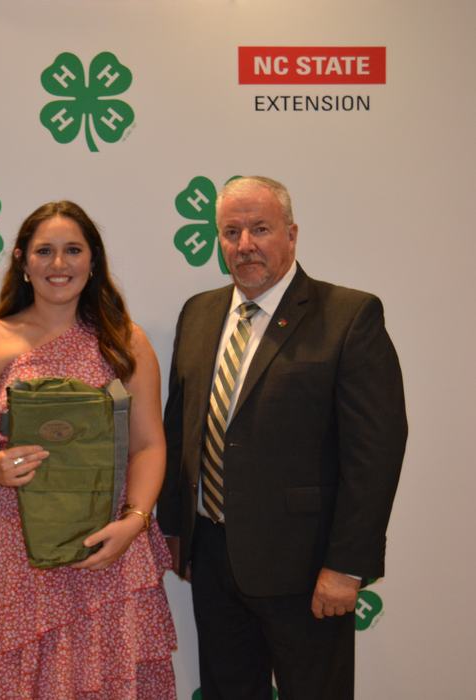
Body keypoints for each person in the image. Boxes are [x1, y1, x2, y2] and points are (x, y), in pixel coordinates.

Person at [157, 176, 407, 699]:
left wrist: (346, 566)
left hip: (309, 570)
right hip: (214, 558)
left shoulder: (349, 316)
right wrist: (175, 531)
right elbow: (179, 428)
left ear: (291, 235)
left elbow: (376, 453)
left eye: (260, 228)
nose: (244, 244)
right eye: (231, 231)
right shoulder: (198, 313)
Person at [0, 201, 177, 699]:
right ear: (22, 261)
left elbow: (148, 444)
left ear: (92, 261)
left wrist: (134, 521)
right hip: (18, 547)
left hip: (110, 542)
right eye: (45, 251)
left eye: (73, 250)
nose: (59, 264)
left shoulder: (127, 341)